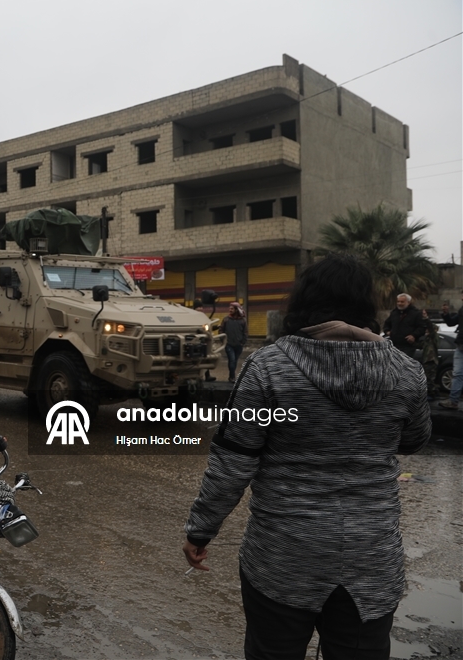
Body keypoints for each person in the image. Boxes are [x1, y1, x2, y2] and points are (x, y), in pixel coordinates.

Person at [182, 254, 430, 660]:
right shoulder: (407, 372)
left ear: (304, 301)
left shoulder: (268, 367)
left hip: (282, 557)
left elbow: (233, 462)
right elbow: (414, 441)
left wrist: (200, 531)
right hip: (371, 560)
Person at [382, 293, 425, 358]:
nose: (399, 304)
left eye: (402, 302)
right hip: (394, 345)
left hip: (408, 346)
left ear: (408, 302)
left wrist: (413, 335)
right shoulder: (394, 313)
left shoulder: (416, 313)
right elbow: (387, 324)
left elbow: (422, 327)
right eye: (398, 301)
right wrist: (387, 331)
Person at [439, 294, 462, 410]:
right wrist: (446, 314)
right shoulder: (462, 310)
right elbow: (451, 323)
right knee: (457, 374)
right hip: (460, 346)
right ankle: (453, 401)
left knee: (458, 374)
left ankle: (453, 401)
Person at [219, 301, 247, 382]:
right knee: (232, 360)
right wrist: (224, 340)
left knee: (234, 361)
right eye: (229, 308)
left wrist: (242, 342)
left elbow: (245, 332)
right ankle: (232, 377)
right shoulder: (226, 319)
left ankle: (231, 376)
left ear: (236, 310)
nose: (230, 310)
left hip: (239, 345)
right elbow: (221, 330)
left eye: (232, 309)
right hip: (229, 345)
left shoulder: (242, 321)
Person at [193, 299, 217, 382]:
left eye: (201, 307)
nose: (200, 308)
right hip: (195, 340)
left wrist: (215, 327)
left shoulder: (203, 316)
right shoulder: (191, 316)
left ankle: (207, 375)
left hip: (204, 340)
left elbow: (207, 327)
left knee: (206, 357)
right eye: (198, 307)